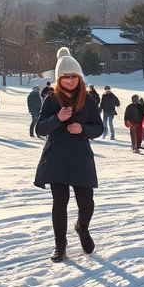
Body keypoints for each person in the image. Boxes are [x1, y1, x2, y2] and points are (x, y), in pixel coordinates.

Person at [34, 47, 104, 263]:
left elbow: (99, 128)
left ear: (80, 77)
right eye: (66, 77)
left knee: (86, 202)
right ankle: (60, 244)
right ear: (59, 79)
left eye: (74, 76)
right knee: (60, 202)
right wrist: (57, 118)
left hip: (81, 157)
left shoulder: (89, 100)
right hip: (57, 157)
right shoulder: (52, 100)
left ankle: (82, 227)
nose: (70, 81)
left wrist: (82, 129)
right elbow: (40, 129)